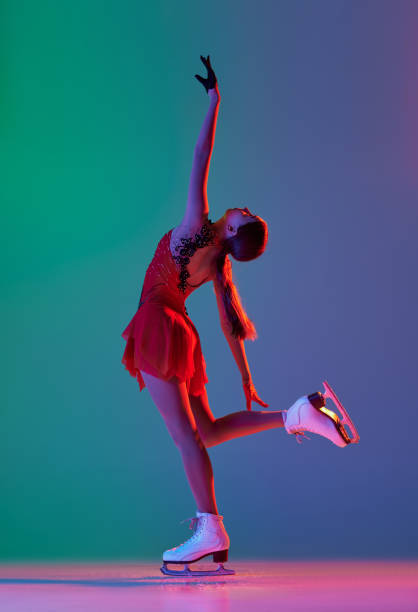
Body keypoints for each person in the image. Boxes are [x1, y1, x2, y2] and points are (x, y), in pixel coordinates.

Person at [121, 55, 359, 576]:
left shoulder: (194, 234)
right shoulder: (217, 266)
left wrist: (214, 102)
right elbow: (230, 326)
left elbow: (200, 157)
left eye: (242, 215)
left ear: (231, 230)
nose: (239, 208)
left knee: (186, 437)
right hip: (178, 330)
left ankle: (209, 528)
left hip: (159, 326)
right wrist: (248, 381)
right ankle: (296, 414)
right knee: (203, 432)